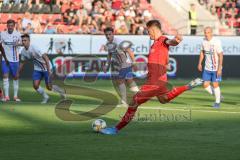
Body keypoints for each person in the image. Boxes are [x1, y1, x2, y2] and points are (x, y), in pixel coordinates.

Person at [100, 20, 203, 135]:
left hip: (155, 82)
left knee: (134, 102)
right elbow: (166, 58)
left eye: (148, 31)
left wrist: (176, 40)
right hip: (159, 79)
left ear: (153, 29)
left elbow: (171, 41)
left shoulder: (162, 39)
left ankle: (116, 129)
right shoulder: (155, 44)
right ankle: (188, 86)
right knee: (163, 99)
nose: (148, 33)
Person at [17, 34, 66, 104]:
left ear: (29, 41)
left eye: (25, 40)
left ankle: (61, 91)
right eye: (22, 40)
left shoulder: (35, 48)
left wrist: (49, 70)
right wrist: (18, 72)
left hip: (46, 67)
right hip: (37, 69)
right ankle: (46, 97)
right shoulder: (23, 52)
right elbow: (22, 62)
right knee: (35, 85)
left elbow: (46, 58)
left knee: (49, 87)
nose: (23, 42)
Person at [101, 27, 139, 106]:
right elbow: (109, 54)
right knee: (128, 81)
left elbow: (129, 51)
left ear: (113, 33)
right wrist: (107, 65)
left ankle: (126, 100)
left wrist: (134, 62)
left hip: (125, 63)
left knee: (122, 81)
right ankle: (138, 96)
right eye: (106, 34)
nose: (108, 36)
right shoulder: (108, 44)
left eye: (109, 34)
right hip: (118, 65)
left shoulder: (119, 42)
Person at [198, 26, 223, 108]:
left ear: (211, 33)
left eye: (208, 32)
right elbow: (202, 52)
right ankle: (218, 96)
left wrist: (219, 68)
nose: (206, 34)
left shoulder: (216, 42)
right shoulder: (203, 41)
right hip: (207, 68)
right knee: (205, 85)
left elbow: (221, 55)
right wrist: (199, 63)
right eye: (205, 32)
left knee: (215, 84)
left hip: (216, 68)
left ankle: (217, 102)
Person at [0, 19, 22, 102]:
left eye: (11, 26)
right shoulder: (2, 34)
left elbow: (23, 43)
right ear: (7, 26)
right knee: (5, 77)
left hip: (15, 60)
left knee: (16, 77)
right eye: (8, 25)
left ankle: (15, 96)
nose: (10, 27)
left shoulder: (18, 34)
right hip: (5, 59)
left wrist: (18, 44)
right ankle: (6, 96)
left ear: (14, 26)